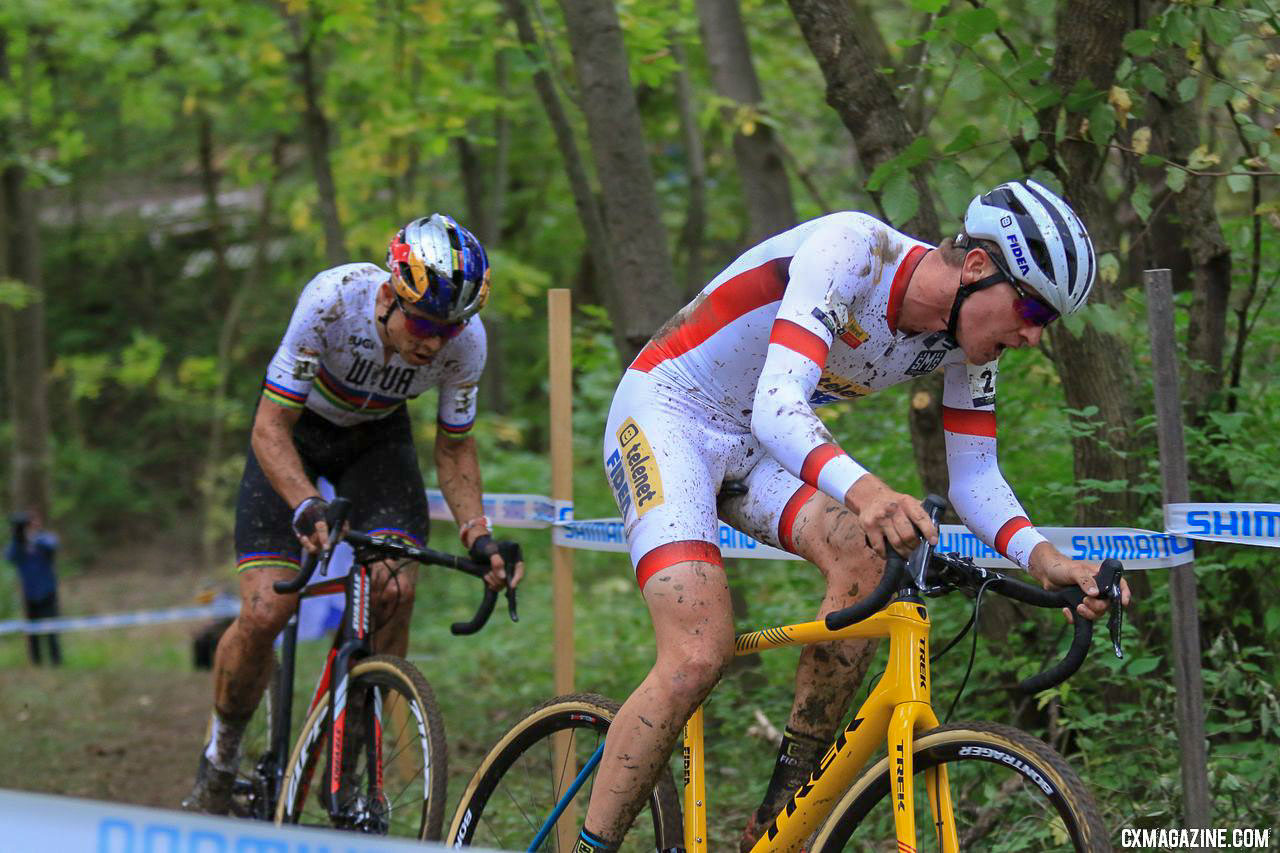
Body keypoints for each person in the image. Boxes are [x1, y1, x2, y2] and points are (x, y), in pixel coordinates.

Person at [581, 179, 1132, 851]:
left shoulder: (962, 340)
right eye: (1031, 310)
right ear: (979, 266)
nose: (1032, 336)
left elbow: (977, 475)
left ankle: (784, 805)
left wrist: (1048, 560)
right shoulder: (854, 250)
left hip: (755, 448)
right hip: (668, 412)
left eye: (1045, 322)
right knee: (698, 653)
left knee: (867, 560)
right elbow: (779, 403)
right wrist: (868, 491)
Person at [183, 213, 525, 814]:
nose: (431, 341)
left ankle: (349, 757)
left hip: (376, 442)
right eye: (421, 321)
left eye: (445, 330)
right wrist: (305, 503)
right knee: (268, 608)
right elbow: (270, 425)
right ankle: (222, 756)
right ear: (390, 295)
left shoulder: (465, 344)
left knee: (392, 587)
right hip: (296, 432)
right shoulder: (332, 300)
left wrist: (480, 535)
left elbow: (454, 447)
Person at [5, 509, 63, 667]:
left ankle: (56, 661)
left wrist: (34, 537)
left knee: (51, 628)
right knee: (32, 631)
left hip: (47, 591)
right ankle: (36, 663)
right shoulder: (18, 544)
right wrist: (18, 538)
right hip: (29, 594)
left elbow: (53, 544)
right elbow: (9, 557)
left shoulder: (45, 538)